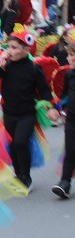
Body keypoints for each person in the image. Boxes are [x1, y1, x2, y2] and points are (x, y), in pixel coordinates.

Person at [0, 29, 59, 190]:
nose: (10, 51)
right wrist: (1, 66)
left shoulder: (34, 68)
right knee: (12, 145)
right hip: (9, 113)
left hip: (27, 113)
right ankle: (18, 175)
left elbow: (44, 90)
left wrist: (51, 107)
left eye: (15, 48)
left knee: (20, 142)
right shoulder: (6, 66)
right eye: (9, 47)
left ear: (26, 49)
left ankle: (26, 177)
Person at [53, 32, 75, 198]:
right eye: (69, 55)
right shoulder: (69, 75)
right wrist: (58, 108)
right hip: (72, 120)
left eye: (73, 55)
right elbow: (65, 96)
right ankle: (65, 182)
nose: (70, 58)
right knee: (70, 150)